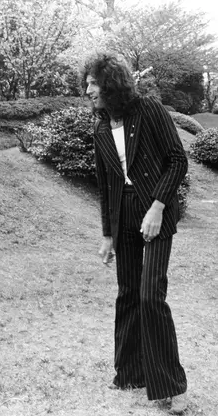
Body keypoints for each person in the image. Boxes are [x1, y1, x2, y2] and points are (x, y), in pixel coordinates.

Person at [81, 52, 189, 414]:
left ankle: (165, 385)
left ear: (109, 84)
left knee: (149, 296)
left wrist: (158, 207)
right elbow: (105, 184)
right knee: (127, 293)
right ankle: (129, 373)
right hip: (122, 214)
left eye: (92, 84)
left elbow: (177, 160)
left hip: (154, 210)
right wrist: (107, 234)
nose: (87, 91)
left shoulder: (149, 110)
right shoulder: (99, 126)